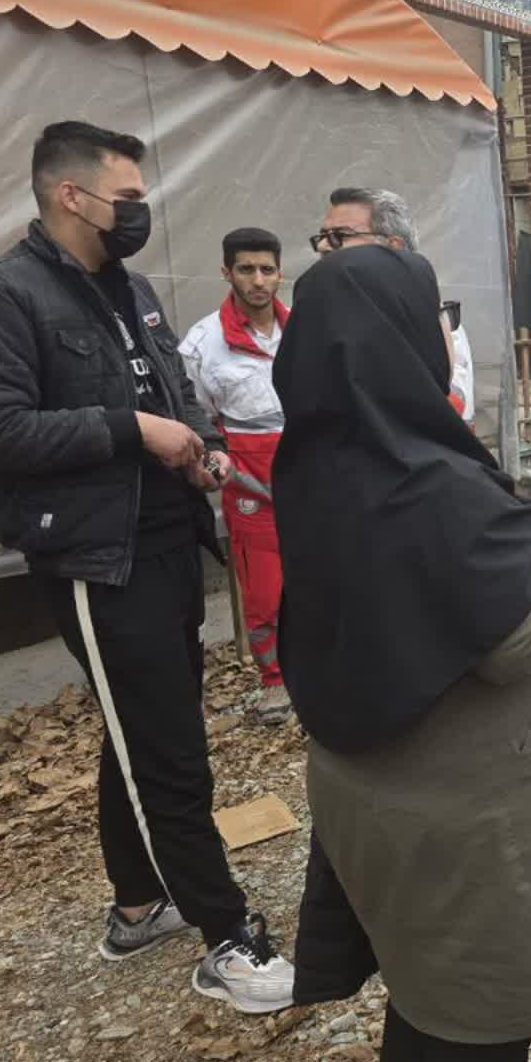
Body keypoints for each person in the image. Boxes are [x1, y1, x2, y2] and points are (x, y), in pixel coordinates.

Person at [0, 121, 294, 1011]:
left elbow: (174, 392)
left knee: (141, 727)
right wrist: (131, 430)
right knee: (169, 751)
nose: (140, 211)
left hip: (169, 540)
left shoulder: (130, 290)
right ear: (72, 195)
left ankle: (137, 906)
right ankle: (226, 939)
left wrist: (203, 447)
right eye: (127, 197)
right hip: (98, 558)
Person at [275, 245, 531, 1062]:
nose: (446, 333)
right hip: (466, 821)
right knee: (481, 1024)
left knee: (425, 990)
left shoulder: (318, 458)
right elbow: (513, 640)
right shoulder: (428, 483)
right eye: (436, 316)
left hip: (371, 795)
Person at [180, 227, 292, 724]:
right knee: (264, 590)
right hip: (250, 488)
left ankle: (327, 667)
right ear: (227, 272)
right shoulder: (202, 344)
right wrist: (216, 464)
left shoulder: (304, 329)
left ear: (280, 273)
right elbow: (197, 419)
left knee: (327, 575)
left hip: (310, 478)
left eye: (267, 269)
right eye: (246, 269)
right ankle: (275, 681)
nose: (258, 280)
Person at [311, 186, 476, 421]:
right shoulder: (316, 318)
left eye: (340, 236)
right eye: (322, 236)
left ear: (393, 247)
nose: (323, 247)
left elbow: (448, 410)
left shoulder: (439, 325)